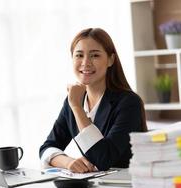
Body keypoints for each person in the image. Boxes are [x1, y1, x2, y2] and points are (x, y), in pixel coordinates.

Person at [39, 28, 147, 173]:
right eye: (79, 55)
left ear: (110, 60)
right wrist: (68, 162)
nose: (85, 63)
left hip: (126, 187)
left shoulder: (129, 103)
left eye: (95, 55)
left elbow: (103, 159)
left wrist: (77, 108)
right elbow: (47, 147)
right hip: (94, 186)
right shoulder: (73, 100)